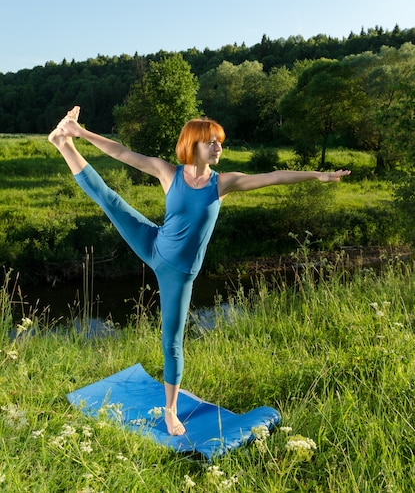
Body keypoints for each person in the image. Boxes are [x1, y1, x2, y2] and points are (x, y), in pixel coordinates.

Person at [49, 106, 350, 436]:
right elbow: (121, 152)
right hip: (154, 242)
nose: (218, 147)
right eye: (212, 142)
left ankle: (170, 411)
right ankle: (65, 143)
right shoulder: (168, 172)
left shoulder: (223, 184)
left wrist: (318, 175)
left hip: (177, 274)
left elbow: (274, 176)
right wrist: (81, 132)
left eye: (220, 142)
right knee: (110, 200)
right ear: (193, 144)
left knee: (172, 342)